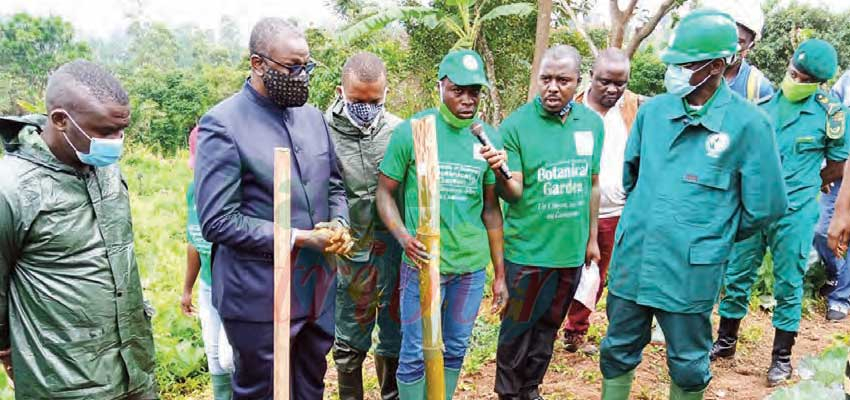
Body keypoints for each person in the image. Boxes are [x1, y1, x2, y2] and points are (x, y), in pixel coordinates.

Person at [598, 9, 787, 400]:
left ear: (717, 66)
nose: (675, 72)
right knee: (617, 350)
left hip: (690, 270)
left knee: (687, 362)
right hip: (635, 257)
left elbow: (765, 206)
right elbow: (631, 177)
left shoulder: (750, 125)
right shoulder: (653, 113)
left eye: (685, 64)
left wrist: (710, 234)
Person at [194, 18, 351, 399]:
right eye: (291, 68)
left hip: (315, 288)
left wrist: (339, 220)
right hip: (257, 296)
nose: (301, 76)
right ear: (257, 63)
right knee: (261, 392)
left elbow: (333, 183)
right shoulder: (222, 125)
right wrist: (298, 238)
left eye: (307, 67)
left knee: (310, 385)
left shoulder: (313, 118)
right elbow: (217, 220)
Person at [0, 60, 158, 398]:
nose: (116, 142)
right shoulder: (11, 188)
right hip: (63, 380)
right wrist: (7, 351)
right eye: (104, 132)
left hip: (134, 369)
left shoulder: (105, 169)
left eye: (121, 131)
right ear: (60, 120)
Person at [714, 39, 849, 386]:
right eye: (792, 71)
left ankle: (781, 358)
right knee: (738, 272)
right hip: (754, 206)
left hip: (795, 210)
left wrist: (810, 183)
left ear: (818, 83)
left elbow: (837, 164)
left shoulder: (831, 114)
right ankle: (726, 341)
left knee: (789, 281)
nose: (794, 79)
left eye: (803, 77)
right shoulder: (764, 105)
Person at [376, 49, 505, 399]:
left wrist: (500, 275)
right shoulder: (413, 131)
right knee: (415, 352)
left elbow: (491, 210)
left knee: (458, 345)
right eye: (457, 90)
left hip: (470, 268)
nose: (467, 99)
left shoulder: (486, 138)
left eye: (474, 92)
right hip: (421, 263)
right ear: (441, 87)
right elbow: (384, 194)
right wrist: (403, 237)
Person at [326, 52, 403, 400]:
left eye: (375, 101)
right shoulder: (320, 132)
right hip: (349, 255)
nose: (366, 108)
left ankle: (392, 395)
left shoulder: (400, 131)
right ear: (341, 91)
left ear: (385, 93)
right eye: (358, 100)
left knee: (394, 333)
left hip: (395, 251)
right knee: (349, 340)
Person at [562, 47, 642, 356]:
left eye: (619, 83)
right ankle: (550, 321)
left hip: (617, 208)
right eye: (605, 81)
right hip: (573, 208)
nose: (612, 89)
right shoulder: (572, 108)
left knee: (600, 272)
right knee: (567, 271)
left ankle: (576, 329)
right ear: (590, 77)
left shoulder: (633, 108)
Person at [181, 126, 234, 399]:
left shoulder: (235, 193)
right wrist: (188, 288)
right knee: (214, 356)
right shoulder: (193, 190)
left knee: (229, 358)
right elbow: (194, 240)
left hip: (234, 288)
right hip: (208, 285)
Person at [813, 70, 850, 322]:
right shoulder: (848, 78)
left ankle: (841, 297)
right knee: (822, 231)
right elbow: (832, 112)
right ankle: (836, 274)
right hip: (838, 167)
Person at [707, 0, 774, 102]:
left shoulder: (759, 88)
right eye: (725, 36)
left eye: (738, 41)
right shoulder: (695, 70)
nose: (728, 46)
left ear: (750, 46)